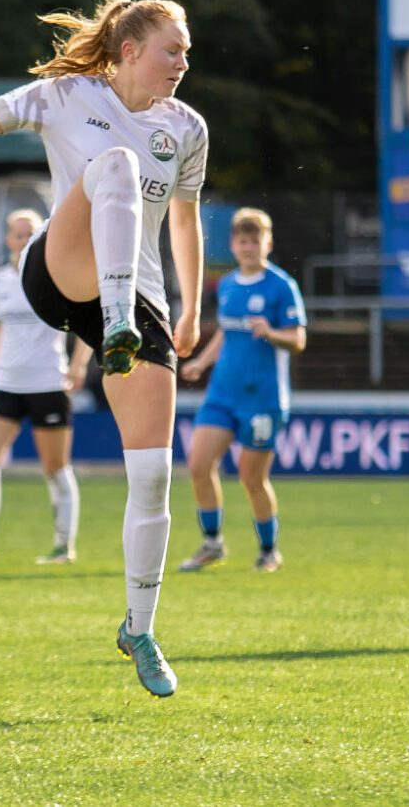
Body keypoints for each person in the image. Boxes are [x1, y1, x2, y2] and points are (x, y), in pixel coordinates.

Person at [0, 0, 206, 698]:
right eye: (172, 50)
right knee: (114, 165)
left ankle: (139, 629)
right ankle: (116, 321)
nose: (183, 63)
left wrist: (193, 308)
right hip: (59, 272)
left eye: (187, 53)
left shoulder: (187, 128)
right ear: (131, 50)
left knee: (153, 477)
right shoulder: (66, 94)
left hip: (142, 303)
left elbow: (184, 221)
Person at [178, 207, 306, 573]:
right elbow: (227, 330)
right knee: (199, 465)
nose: (248, 247)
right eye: (242, 241)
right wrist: (202, 362)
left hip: (262, 398)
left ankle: (268, 551)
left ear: (268, 244)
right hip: (222, 394)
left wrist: (272, 333)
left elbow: (298, 340)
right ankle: (212, 544)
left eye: (255, 241)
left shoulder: (282, 286)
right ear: (233, 245)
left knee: (252, 479)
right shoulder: (228, 284)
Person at [0, 209, 92, 565]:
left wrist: (79, 365)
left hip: (48, 383)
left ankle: (64, 545)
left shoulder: (56, 275)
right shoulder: (0, 279)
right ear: (8, 239)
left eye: (30, 234)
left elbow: (87, 322)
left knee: (55, 467)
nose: (24, 240)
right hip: (6, 384)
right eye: (18, 234)